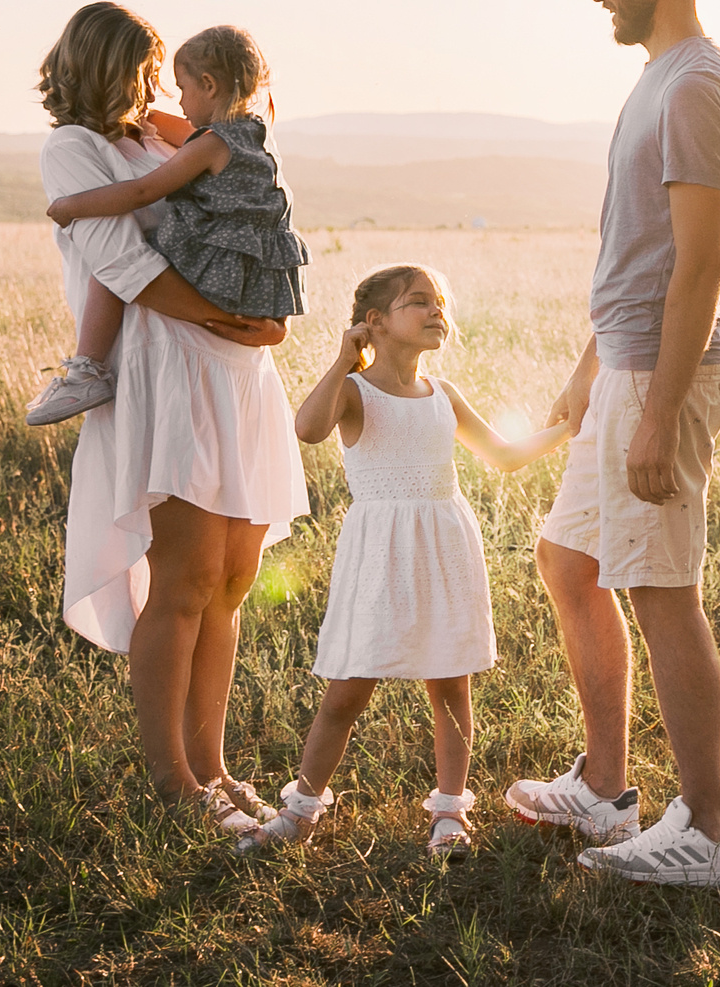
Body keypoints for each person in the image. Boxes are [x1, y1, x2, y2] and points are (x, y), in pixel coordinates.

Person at [505, 0, 720, 888]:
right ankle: (607, 791)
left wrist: (653, 409)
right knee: (569, 558)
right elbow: (638, 257)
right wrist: (589, 365)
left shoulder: (694, 86)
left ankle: (707, 834)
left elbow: (701, 264)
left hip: (665, 377)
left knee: (660, 593)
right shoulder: (657, 79)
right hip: (627, 363)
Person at [35, 1, 312, 840]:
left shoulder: (168, 132)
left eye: (158, 68)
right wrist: (238, 320)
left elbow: (247, 196)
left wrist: (263, 325)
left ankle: (216, 766)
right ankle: (174, 781)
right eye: (137, 67)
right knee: (184, 582)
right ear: (96, 65)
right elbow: (123, 265)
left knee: (230, 583)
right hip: (169, 375)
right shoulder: (72, 148)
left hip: (239, 381)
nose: (151, 84)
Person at [243, 264, 573, 858]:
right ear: (375, 322)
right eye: (418, 302)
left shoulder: (443, 395)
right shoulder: (353, 391)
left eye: (440, 302)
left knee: (450, 681)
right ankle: (300, 811)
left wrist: (567, 427)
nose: (435, 312)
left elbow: (502, 455)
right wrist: (344, 360)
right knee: (347, 687)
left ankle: (450, 814)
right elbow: (308, 428)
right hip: (380, 549)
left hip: (444, 542)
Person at [28, 24, 308, 425]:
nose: (168, 97)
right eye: (145, 76)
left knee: (114, 270)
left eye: (179, 88)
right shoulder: (256, 136)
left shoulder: (209, 142)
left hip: (206, 279)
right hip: (244, 280)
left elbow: (143, 192)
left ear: (209, 85)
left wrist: (72, 206)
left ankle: (86, 369)